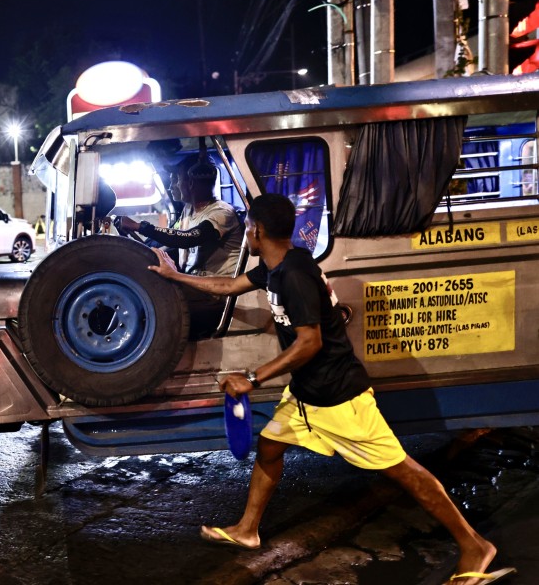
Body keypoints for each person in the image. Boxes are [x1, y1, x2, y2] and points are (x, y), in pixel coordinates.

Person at [146, 193, 513, 585]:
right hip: (306, 394)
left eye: (249, 226)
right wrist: (176, 277)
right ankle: (248, 530)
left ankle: (474, 546)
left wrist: (252, 379)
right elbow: (229, 285)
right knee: (270, 447)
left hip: (338, 397)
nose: (246, 233)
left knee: (405, 473)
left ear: (258, 230)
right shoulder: (278, 264)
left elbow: (310, 342)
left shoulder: (294, 275)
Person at [121, 156, 244, 336]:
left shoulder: (221, 213)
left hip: (215, 293)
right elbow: (169, 237)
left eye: (176, 179)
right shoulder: (189, 210)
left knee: (147, 305)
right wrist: (129, 245)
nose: (174, 186)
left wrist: (141, 226)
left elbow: (188, 238)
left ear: (191, 182)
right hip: (195, 287)